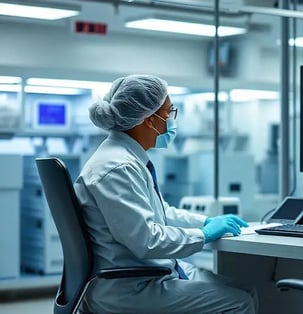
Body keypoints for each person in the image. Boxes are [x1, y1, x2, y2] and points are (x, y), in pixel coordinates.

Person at [73, 74, 258, 313]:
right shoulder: (118, 168)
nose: (171, 121)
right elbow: (148, 241)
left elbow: (161, 212)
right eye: (169, 113)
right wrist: (203, 235)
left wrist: (206, 221)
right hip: (130, 287)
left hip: (143, 272)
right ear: (149, 120)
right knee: (240, 302)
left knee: (247, 290)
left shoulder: (124, 157)